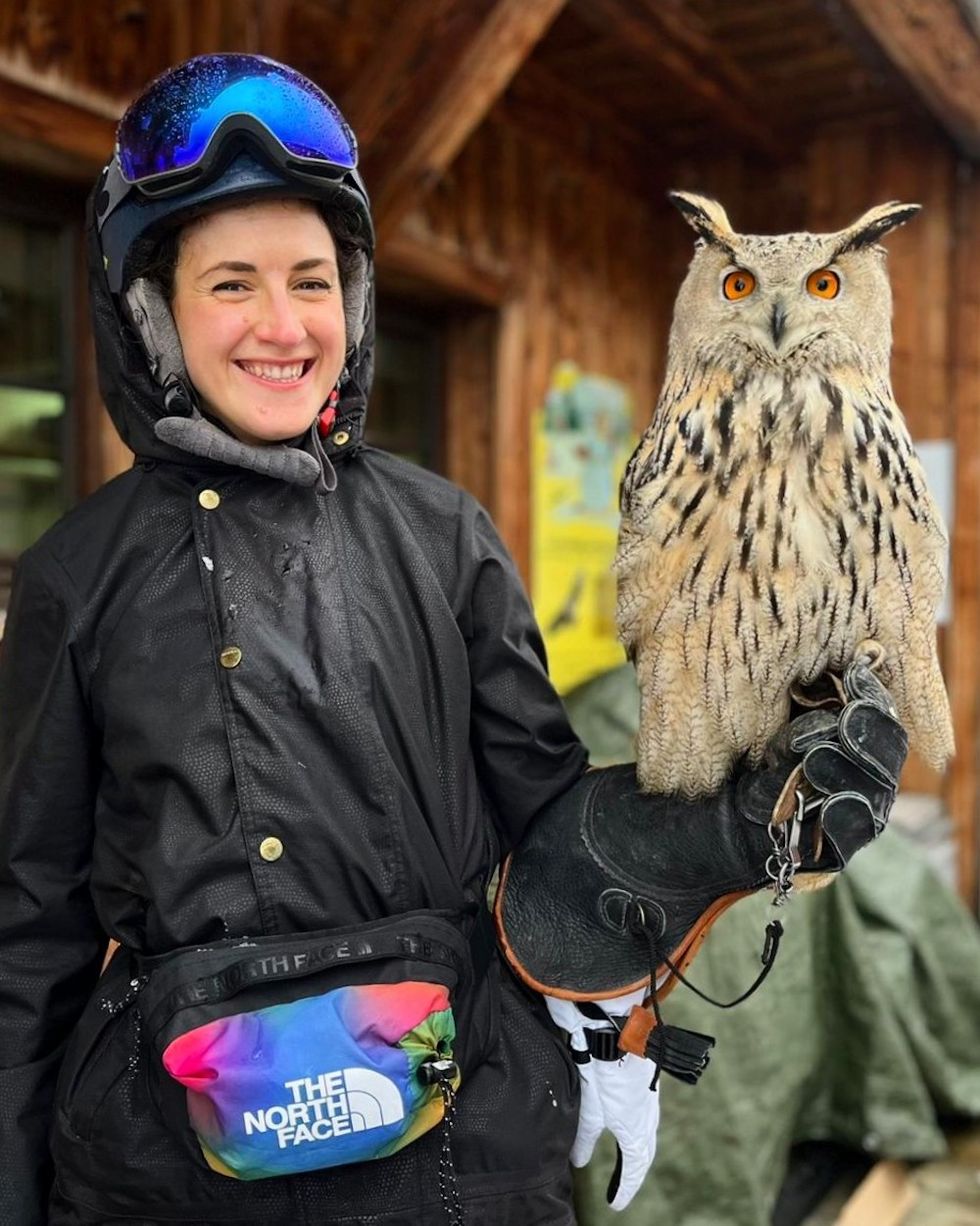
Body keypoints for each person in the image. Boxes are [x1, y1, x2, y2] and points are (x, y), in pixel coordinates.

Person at [0, 54, 906, 1226]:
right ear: (152, 310)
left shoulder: (442, 534)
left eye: (313, 281)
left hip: (457, 1157)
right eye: (231, 284)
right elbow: (32, 930)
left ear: (356, 299)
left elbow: (544, 830)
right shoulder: (78, 574)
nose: (283, 325)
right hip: (166, 1171)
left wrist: (727, 821)